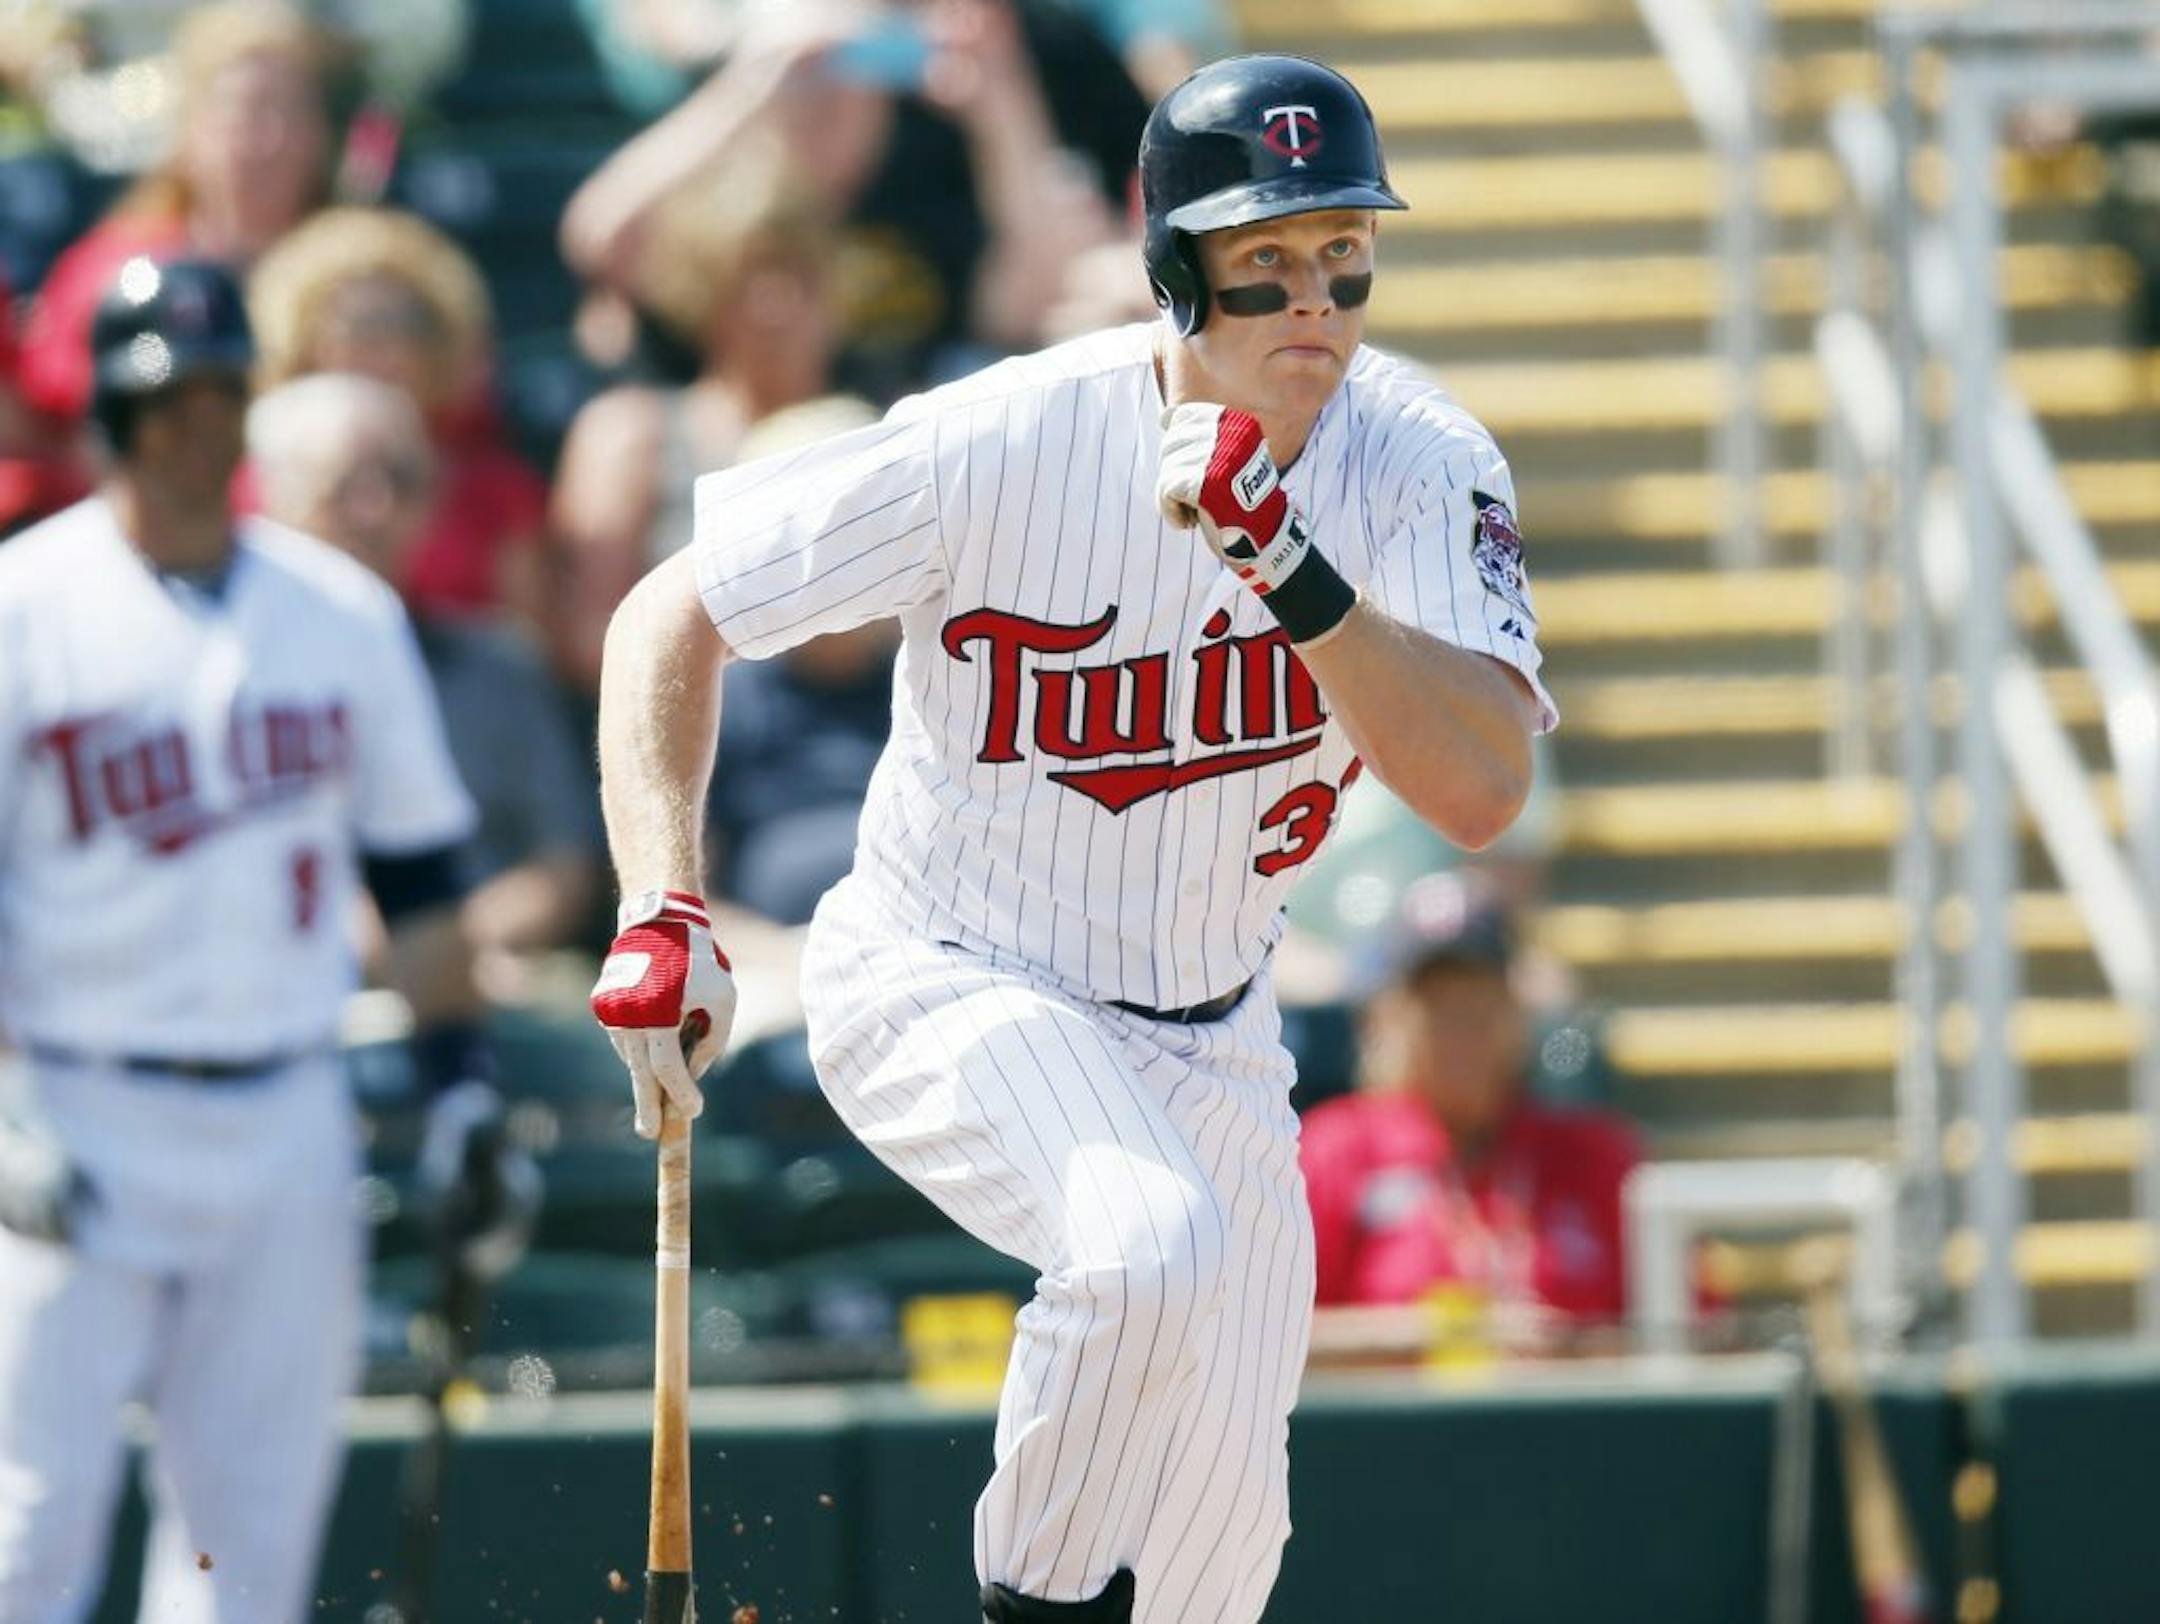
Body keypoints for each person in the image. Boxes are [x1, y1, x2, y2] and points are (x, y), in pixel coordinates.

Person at [589, 54, 1553, 1624]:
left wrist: (1290, 569)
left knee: (1220, 1562)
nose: (1313, 301)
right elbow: (669, 610)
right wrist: (661, 900)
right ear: (1172, 270)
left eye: (1341, 255)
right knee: (1140, 1246)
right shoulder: (1005, 437)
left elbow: (1479, 787)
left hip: (1221, 1031)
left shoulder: (1420, 457)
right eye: (1263, 266)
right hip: (950, 970)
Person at [0, 257, 530, 1624]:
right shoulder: (24, 605)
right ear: (111, 411)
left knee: (249, 1563)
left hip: (288, 1113)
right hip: (73, 1105)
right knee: (23, 1539)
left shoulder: (337, 613)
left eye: (221, 390)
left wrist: (463, 1079)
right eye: (165, 395)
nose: (194, 421)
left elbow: (420, 887)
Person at [560, 0, 1148, 398]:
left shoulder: (944, 138)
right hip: (729, 446)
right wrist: (756, 81)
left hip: (906, 444)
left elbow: (1033, 304)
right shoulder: (733, 134)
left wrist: (1002, 107)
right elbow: (600, 241)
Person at [247, 371, 602, 981]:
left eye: (402, 480)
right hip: (299, 1003)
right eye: (344, 484)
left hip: (500, 982)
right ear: (274, 499)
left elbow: (567, 865)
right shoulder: (234, 684)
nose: (377, 509)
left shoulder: (499, 666)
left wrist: (453, 949)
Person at [550, 157, 868, 691]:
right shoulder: (630, 435)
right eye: (751, 278)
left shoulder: (884, 432)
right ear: (705, 290)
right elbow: (591, 641)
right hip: (706, 733)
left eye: (799, 276)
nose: (777, 305)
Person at [1299, 872, 1642, 1345]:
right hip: (1394, 1415)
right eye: (1436, 1006)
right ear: (1389, 1017)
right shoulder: (1333, 1149)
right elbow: (1266, 1340)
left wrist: (1575, 1344)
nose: (1459, 1030)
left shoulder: (1596, 1156)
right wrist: (1441, 1333)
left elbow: (1686, 1325)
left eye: (1478, 1003)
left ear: (1515, 1014)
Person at [15, 1, 339, 428]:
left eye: (292, 113)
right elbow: (56, 401)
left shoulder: (354, 276)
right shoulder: (120, 269)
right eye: (246, 115)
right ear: (191, 129)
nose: (270, 140)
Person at [245, 205, 551, 629]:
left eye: (406, 325)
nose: (383, 348)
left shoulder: (497, 494)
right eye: (357, 327)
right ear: (304, 341)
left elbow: (522, 656)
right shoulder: (252, 486)